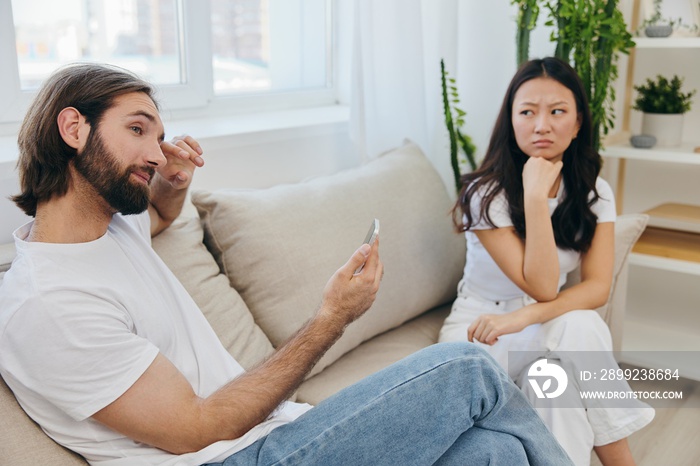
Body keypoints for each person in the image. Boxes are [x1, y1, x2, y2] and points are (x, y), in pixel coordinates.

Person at [0, 63, 573, 466]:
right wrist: (332, 317)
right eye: (136, 130)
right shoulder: (48, 304)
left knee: (494, 452)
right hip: (231, 458)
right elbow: (197, 429)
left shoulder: (108, 224)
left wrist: (171, 186)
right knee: (467, 369)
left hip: (273, 434)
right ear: (73, 128)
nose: (155, 152)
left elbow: (161, 223)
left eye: (159, 135)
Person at [438, 57, 654, 466]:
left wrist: (524, 318)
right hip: (481, 333)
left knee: (556, 387)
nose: (542, 125)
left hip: (540, 327)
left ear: (577, 124)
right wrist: (535, 196)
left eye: (557, 112)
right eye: (527, 112)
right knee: (581, 326)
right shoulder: (484, 194)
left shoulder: (594, 192)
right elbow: (539, 285)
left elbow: (596, 288)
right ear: (511, 121)